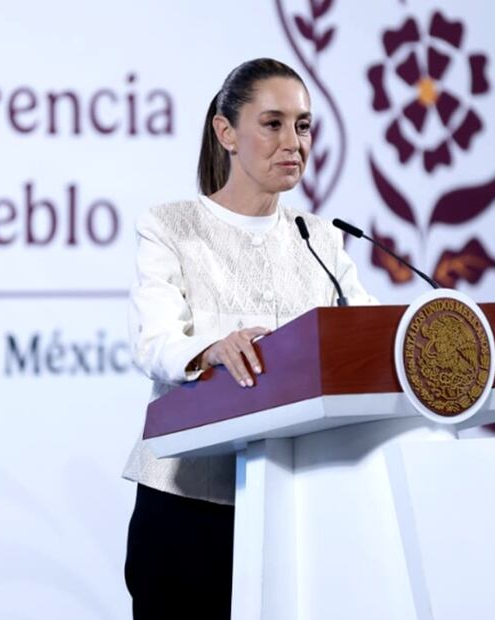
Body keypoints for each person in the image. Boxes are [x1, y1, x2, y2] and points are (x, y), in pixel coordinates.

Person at [121, 58, 377, 618]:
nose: (294, 142)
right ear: (226, 131)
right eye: (273, 123)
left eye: (303, 125)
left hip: (299, 506)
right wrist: (209, 349)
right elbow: (155, 342)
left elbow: (371, 341)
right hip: (189, 509)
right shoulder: (170, 226)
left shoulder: (324, 240)